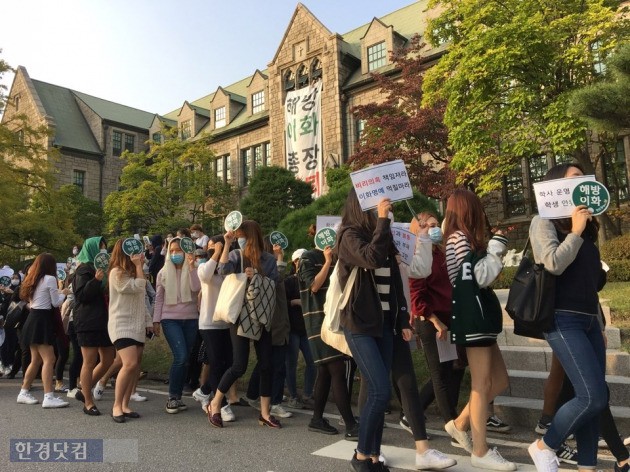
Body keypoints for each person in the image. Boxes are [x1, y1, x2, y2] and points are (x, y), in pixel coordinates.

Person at [528, 163, 609, 472]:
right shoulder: (543, 221)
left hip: (589, 320)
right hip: (562, 319)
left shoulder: (589, 226)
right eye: (575, 179)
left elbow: (590, 282)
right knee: (592, 396)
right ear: (556, 186)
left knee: (589, 397)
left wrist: (599, 323)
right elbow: (552, 264)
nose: (583, 184)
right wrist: (574, 231)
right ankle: (545, 445)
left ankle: (587, 466)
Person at [335, 191, 411, 472]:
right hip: (359, 325)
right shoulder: (348, 236)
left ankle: (374, 456)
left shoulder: (383, 234)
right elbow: (371, 258)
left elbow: (394, 282)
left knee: (381, 392)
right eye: (375, 205)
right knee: (379, 390)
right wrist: (382, 221)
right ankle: (361, 455)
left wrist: (403, 319)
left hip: (386, 325)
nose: (383, 207)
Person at [443, 189, 515, 471]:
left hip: (477, 319)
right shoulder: (459, 238)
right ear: (468, 210)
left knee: (499, 380)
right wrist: (497, 245)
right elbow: (479, 277)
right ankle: (481, 451)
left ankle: (460, 424)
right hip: (472, 318)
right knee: (482, 384)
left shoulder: (457, 238)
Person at [208, 220, 280, 429]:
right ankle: (215, 403)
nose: (239, 238)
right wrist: (227, 244)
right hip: (241, 314)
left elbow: (276, 283)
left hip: (262, 314)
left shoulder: (268, 259)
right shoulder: (236, 255)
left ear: (251, 236)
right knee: (239, 364)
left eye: (241, 235)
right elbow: (222, 270)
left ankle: (265, 413)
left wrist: (258, 277)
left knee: (266, 364)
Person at [298, 240, 359, 439]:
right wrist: (326, 262)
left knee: (324, 371)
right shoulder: (308, 257)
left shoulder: (339, 257)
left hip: (335, 319)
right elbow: (314, 286)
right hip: (318, 322)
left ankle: (316, 419)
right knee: (337, 369)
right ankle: (350, 424)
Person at [107, 239, 154, 423]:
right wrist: (139, 267)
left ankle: (125, 405)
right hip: (121, 324)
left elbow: (142, 300)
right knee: (129, 363)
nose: (139, 255)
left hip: (137, 325)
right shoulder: (116, 273)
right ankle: (116, 405)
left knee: (134, 366)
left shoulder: (135, 272)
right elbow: (138, 286)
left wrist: (148, 321)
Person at [193, 235, 238, 422]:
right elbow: (204, 276)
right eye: (210, 247)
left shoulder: (228, 267)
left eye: (215, 247)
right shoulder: (204, 267)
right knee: (216, 362)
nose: (212, 250)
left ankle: (204, 391)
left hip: (226, 322)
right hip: (209, 323)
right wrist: (216, 252)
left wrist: (224, 248)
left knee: (229, 362)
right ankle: (221, 404)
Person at [153, 236, 201, 414]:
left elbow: (196, 288)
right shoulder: (163, 273)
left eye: (178, 251)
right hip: (170, 319)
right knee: (180, 356)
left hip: (191, 319)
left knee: (186, 358)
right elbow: (158, 298)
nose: (175, 254)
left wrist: (191, 266)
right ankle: (172, 397)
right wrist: (156, 320)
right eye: (171, 251)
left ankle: (178, 397)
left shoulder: (194, 269)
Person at [16, 253, 70, 408]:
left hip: (32, 319)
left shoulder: (32, 279)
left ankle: (24, 392)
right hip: (42, 320)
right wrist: (64, 294)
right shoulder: (49, 279)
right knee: (49, 359)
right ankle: (49, 396)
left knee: (36, 360)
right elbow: (55, 303)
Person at [73, 237, 116, 416]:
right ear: (91, 249)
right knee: (89, 361)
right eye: (100, 248)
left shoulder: (105, 269)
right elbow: (82, 295)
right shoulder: (83, 269)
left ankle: (84, 389)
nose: (103, 252)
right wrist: (96, 280)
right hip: (88, 321)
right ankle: (88, 402)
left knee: (107, 358)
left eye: (104, 249)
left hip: (104, 320)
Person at [285, 248, 316, 409]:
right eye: (298, 260)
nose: (301, 263)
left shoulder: (312, 279)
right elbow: (283, 302)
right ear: (294, 262)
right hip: (292, 328)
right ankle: (293, 396)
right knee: (291, 363)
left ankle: (307, 394)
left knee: (313, 361)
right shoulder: (289, 281)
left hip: (307, 328)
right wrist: (295, 302)